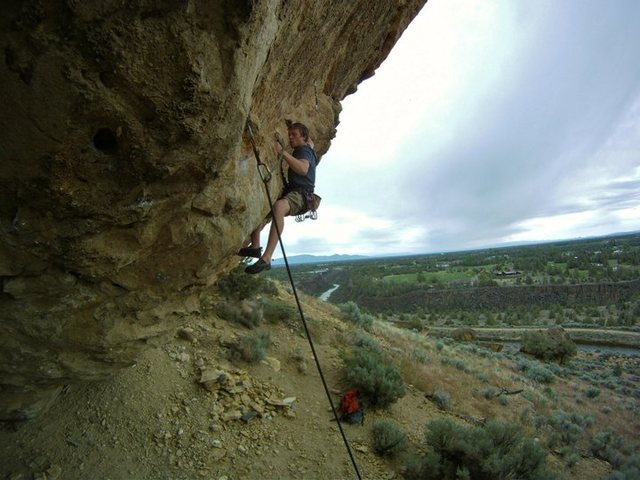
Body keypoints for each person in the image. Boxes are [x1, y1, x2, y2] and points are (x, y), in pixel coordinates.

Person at [239, 122, 318, 274]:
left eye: (294, 134)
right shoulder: (308, 147)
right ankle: (255, 247)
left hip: (302, 195)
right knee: (262, 208)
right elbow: (312, 143)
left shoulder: (304, 150)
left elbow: (303, 169)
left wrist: (282, 152)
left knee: (278, 207)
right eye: (289, 134)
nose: (290, 137)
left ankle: (267, 258)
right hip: (295, 192)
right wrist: (293, 126)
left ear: (303, 137)